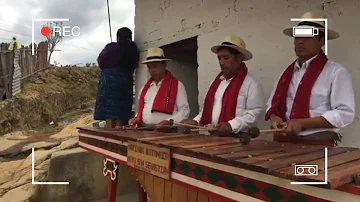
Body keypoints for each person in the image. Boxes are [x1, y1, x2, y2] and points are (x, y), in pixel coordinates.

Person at [265, 12, 355, 146]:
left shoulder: (336, 72)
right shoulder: (286, 74)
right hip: (284, 144)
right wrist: (274, 118)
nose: (300, 41)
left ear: (321, 41)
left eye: (307, 36)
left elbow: (345, 114)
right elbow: (271, 105)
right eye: (297, 36)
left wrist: (302, 123)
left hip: (317, 145)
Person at [182, 35, 265, 135]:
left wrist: (232, 125)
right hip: (213, 136)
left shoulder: (251, 84)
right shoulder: (215, 83)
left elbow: (254, 113)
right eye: (219, 58)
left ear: (239, 58)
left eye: (226, 58)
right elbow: (206, 111)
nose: (221, 62)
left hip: (238, 137)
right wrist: (196, 121)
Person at [128, 47, 190, 128]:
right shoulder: (145, 88)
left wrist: (169, 122)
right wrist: (136, 118)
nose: (152, 70)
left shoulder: (178, 85)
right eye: (149, 67)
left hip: (167, 132)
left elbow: (184, 111)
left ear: (164, 65)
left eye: (155, 66)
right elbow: (142, 109)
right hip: (144, 130)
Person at [94, 27, 140, 128]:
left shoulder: (111, 48)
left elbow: (100, 60)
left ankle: (110, 130)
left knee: (109, 110)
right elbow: (134, 65)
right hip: (125, 80)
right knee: (121, 109)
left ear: (118, 37)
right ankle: (119, 128)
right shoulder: (133, 50)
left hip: (109, 80)